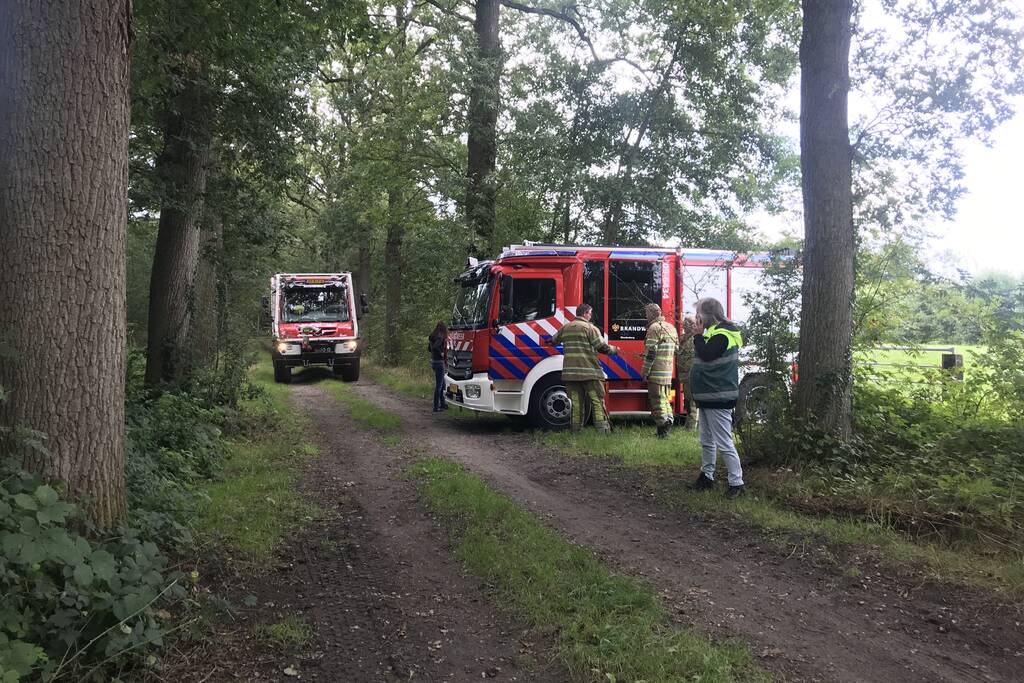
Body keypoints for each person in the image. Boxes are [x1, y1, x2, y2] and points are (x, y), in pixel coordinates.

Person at [682, 297, 745, 498]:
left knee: (724, 442)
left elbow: (707, 354)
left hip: (718, 396)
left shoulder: (723, 335)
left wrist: (697, 336)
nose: (696, 319)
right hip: (709, 396)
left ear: (707, 315)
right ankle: (706, 477)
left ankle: (736, 483)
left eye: (699, 314)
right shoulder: (714, 333)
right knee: (707, 440)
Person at [546, 303, 620, 433]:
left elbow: (552, 341)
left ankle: (575, 432)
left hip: (571, 375)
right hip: (590, 374)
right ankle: (603, 431)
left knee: (576, 404)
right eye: (590, 313)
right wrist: (615, 350)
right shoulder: (590, 328)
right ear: (585, 313)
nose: (590, 316)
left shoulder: (566, 328)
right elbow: (602, 347)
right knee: (597, 402)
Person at [641, 303, 678, 438]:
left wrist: (645, 372)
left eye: (647, 313)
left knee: (657, 400)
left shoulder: (654, 328)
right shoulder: (671, 327)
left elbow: (651, 353)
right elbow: (677, 349)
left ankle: (662, 429)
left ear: (652, 314)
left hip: (656, 372)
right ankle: (669, 421)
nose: (646, 316)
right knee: (665, 399)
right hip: (667, 372)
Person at [427, 322, 448, 412]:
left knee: (442, 384)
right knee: (439, 385)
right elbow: (435, 347)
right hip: (439, 362)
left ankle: (443, 404)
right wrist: (441, 353)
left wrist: (434, 353)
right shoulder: (440, 336)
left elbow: (429, 349)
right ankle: (436, 406)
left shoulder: (432, 336)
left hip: (433, 361)